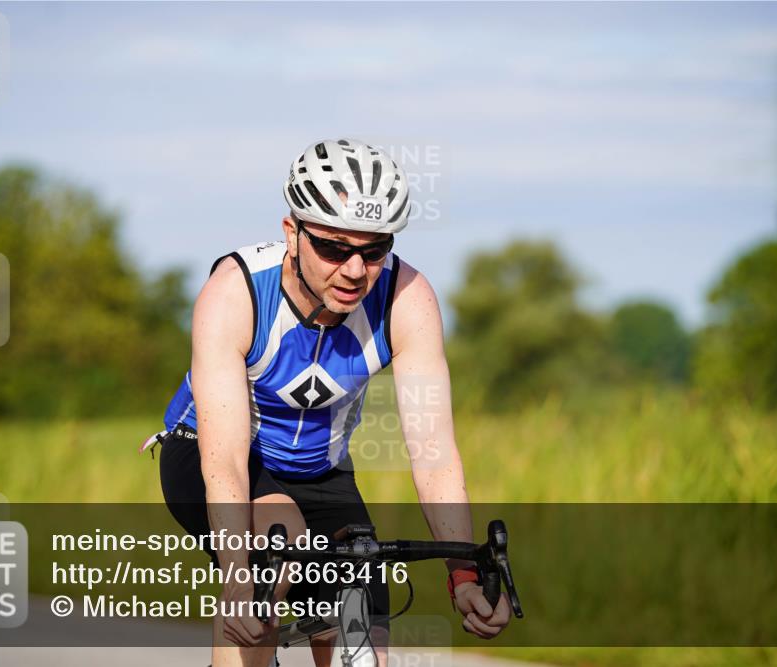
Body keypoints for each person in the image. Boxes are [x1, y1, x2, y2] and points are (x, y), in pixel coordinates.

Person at [146, 139, 510, 667]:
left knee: (363, 634)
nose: (356, 270)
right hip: (214, 454)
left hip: (322, 471)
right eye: (335, 249)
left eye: (374, 250)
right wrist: (237, 575)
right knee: (278, 545)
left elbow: (433, 454)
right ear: (292, 233)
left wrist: (464, 573)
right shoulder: (235, 293)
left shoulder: (408, 299)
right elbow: (224, 460)